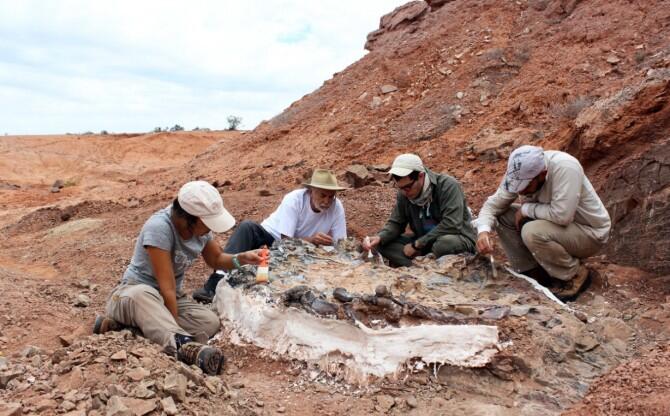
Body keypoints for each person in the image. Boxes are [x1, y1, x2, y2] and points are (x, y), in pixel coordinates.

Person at [93, 181, 262, 375]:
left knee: (209, 322)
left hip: (168, 298)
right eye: (207, 222)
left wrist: (241, 259)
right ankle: (183, 345)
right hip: (133, 294)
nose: (209, 228)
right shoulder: (159, 228)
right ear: (190, 218)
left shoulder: (200, 232)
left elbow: (215, 259)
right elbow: (167, 287)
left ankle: (127, 329)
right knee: (143, 295)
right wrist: (174, 328)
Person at [475, 145, 611, 300]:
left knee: (532, 231)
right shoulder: (519, 169)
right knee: (503, 215)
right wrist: (483, 231)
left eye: (526, 187)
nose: (521, 192)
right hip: (556, 226)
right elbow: (493, 206)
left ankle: (574, 275)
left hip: (589, 233)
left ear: (542, 174)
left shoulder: (566, 167)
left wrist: (526, 209)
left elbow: (562, 216)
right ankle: (533, 272)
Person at [193, 169, 348, 303]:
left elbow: (341, 243)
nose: (327, 201)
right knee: (247, 227)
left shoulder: (337, 207)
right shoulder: (295, 199)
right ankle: (214, 284)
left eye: (331, 196)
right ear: (312, 190)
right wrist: (312, 240)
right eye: (323, 195)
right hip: (271, 237)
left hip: (306, 249)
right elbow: (285, 241)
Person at [362, 153, 477, 267]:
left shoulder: (448, 186)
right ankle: (421, 267)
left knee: (445, 244)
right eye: (400, 188)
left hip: (455, 239)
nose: (404, 192)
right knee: (382, 243)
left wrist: (417, 244)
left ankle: (423, 265)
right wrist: (380, 237)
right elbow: (396, 223)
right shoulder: (404, 193)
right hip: (423, 244)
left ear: (421, 176)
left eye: (407, 187)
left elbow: (452, 224)